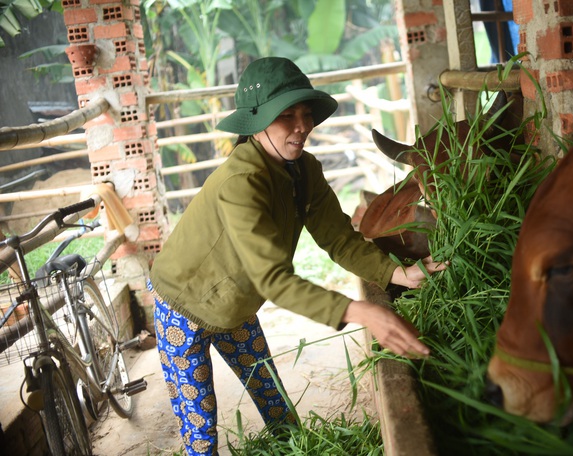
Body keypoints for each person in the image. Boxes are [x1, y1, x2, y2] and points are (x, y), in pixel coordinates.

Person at [148, 56, 447, 456]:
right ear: (256, 122)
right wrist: (361, 312)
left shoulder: (305, 171)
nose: (302, 126)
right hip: (182, 307)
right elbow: (274, 279)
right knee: (201, 434)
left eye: (305, 113)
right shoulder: (241, 183)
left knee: (278, 410)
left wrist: (399, 274)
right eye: (286, 115)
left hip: (235, 304)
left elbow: (339, 240)